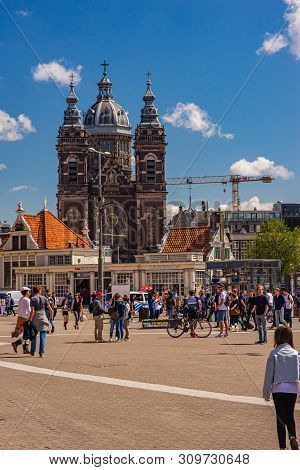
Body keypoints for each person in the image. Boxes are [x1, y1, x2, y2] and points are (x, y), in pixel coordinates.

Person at [263, 326, 299, 450]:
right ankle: (293, 437)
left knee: (280, 418)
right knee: (290, 414)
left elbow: (269, 375)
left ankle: (282, 447)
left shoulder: (274, 353)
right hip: (292, 388)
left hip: (278, 388)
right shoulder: (295, 354)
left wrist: (266, 393)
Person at [30, 286, 53, 358]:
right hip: (43, 315)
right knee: (43, 335)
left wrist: (30, 319)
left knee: (34, 335)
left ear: (33, 291)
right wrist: (51, 317)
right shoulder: (44, 298)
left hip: (35, 317)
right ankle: (41, 352)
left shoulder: (32, 299)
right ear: (39, 291)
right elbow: (50, 309)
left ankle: (33, 351)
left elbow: (32, 310)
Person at [11, 287, 32, 354]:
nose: (29, 293)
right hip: (25, 318)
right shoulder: (27, 300)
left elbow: (19, 309)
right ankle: (16, 343)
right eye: (29, 292)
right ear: (26, 292)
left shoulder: (20, 299)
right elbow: (29, 310)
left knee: (25, 334)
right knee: (28, 335)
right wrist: (31, 316)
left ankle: (25, 349)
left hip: (20, 317)